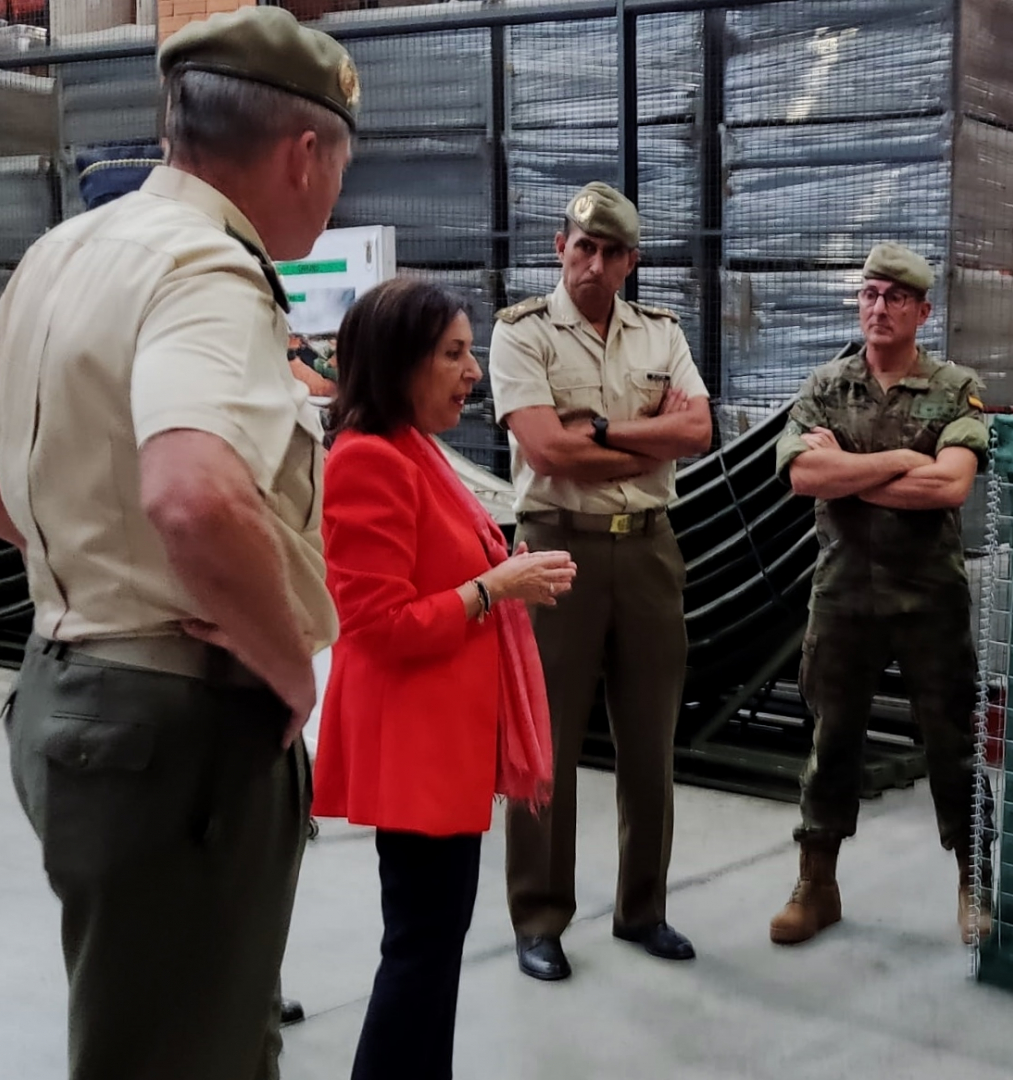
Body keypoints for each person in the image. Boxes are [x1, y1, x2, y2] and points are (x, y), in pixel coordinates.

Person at [0, 9, 357, 1078]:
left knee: (158, 1028)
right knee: (191, 1051)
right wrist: (291, 663)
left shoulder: (72, 249)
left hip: (69, 695)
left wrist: (94, 555)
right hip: (178, 725)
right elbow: (192, 498)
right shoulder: (207, 271)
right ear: (302, 153)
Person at [311, 279, 574, 1079]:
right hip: (418, 751)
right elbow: (377, 624)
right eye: (455, 354)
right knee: (421, 949)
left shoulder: (415, 448)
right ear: (401, 362)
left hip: (446, 747)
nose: (475, 373)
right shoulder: (366, 460)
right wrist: (498, 588)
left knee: (433, 945)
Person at [488, 181, 712, 981]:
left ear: (630, 262)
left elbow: (701, 429)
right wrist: (651, 445)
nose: (592, 262)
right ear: (560, 247)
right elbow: (547, 450)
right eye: (580, 246)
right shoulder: (522, 335)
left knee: (650, 736)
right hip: (555, 549)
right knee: (544, 739)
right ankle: (540, 916)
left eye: (609, 251)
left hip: (649, 550)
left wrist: (610, 431)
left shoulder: (661, 335)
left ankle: (642, 909)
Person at [769, 242, 991, 946]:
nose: (880, 308)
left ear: (923, 311)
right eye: (869, 294)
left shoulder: (955, 388)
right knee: (831, 739)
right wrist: (900, 459)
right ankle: (817, 881)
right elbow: (802, 477)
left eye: (896, 298)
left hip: (930, 598)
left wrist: (847, 466)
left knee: (952, 743)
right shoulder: (826, 386)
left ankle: (974, 883)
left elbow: (950, 484)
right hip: (843, 594)